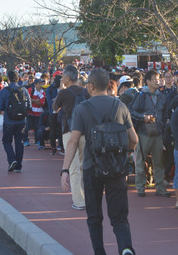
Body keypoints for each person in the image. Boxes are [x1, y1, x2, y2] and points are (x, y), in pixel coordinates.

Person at [60, 68, 137, 255]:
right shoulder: (120, 106)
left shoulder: (82, 109)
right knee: (119, 216)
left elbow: (73, 141)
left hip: (91, 166)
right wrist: (126, 155)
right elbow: (133, 139)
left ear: (91, 86)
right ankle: (126, 248)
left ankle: (99, 251)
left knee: (94, 216)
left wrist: (65, 170)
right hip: (117, 167)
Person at [130, 69, 171, 197]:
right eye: (155, 79)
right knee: (141, 161)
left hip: (157, 133)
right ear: (148, 81)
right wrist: (143, 118)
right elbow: (132, 111)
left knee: (158, 162)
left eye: (159, 78)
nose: (158, 81)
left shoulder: (162, 96)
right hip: (143, 133)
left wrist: (162, 125)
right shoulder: (141, 96)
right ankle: (140, 188)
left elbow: (165, 114)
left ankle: (160, 187)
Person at [53, 65, 89, 209]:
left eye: (63, 77)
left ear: (67, 78)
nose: (62, 79)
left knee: (73, 168)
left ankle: (79, 201)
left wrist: (61, 89)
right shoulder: (86, 92)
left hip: (69, 132)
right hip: (85, 133)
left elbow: (55, 108)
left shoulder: (64, 93)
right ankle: (86, 197)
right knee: (84, 166)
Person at [0, 70, 32, 173]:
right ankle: (19, 166)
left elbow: (0, 107)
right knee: (19, 142)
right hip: (22, 121)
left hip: (9, 121)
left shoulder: (4, 91)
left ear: (8, 79)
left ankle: (12, 159)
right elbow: (29, 106)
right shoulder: (24, 90)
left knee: (7, 142)